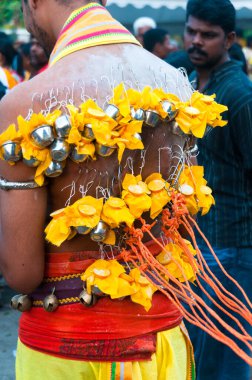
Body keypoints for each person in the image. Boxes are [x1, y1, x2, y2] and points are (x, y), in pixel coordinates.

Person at [184, 0, 252, 379]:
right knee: (200, 359)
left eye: (207, 35)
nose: (196, 41)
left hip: (233, 249)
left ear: (228, 39)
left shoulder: (240, 96)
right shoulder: (193, 86)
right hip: (199, 247)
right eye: (191, 31)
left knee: (225, 363)